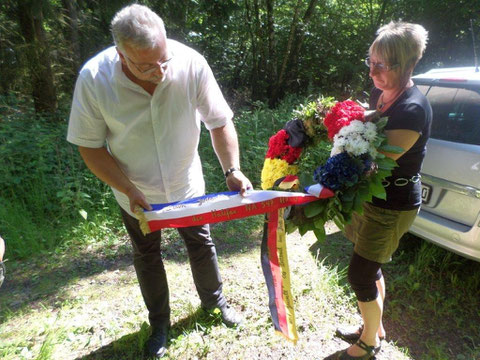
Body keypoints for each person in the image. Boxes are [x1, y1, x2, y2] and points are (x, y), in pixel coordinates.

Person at [67, 4, 252, 358]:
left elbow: (219, 120)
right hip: (135, 192)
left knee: (201, 244)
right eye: (147, 65)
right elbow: (89, 147)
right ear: (121, 53)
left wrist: (232, 169)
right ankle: (160, 324)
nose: (161, 71)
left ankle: (216, 306)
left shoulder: (191, 62)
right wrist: (129, 189)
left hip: (187, 185)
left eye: (163, 59)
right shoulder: (94, 79)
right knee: (147, 255)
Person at [335, 22, 431, 360]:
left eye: (382, 65)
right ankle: (374, 328)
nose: (373, 72)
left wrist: (334, 155)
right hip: (371, 197)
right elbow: (371, 118)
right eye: (370, 61)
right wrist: (338, 117)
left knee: (360, 273)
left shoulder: (413, 109)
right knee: (371, 266)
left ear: (407, 65)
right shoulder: (384, 93)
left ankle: (369, 343)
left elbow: (375, 157)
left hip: (393, 204)